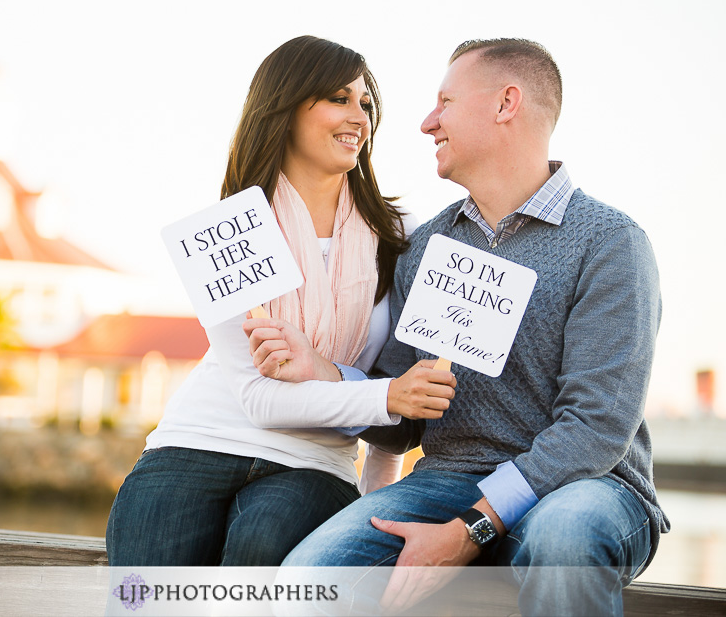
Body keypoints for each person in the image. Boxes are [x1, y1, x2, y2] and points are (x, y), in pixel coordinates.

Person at [264, 38, 667, 615]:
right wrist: (326, 373)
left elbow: (597, 428)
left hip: (588, 486)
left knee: (565, 537)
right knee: (307, 578)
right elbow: (402, 422)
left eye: (445, 102)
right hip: (449, 480)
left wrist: (469, 532)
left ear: (506, 104)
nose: (427, 123)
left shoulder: (610, 243)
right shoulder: (428, 245)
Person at [104, 35, 457, 567]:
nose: (358, 116)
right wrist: (388, 397)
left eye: (364, 103)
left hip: (315, 462)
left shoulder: (400, 233)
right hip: (195, 441)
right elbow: (261, 399)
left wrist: (376, 500)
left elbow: (400, 382)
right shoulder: (230, 228)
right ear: (286, 107)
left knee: (259, 555)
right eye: (338, 98)